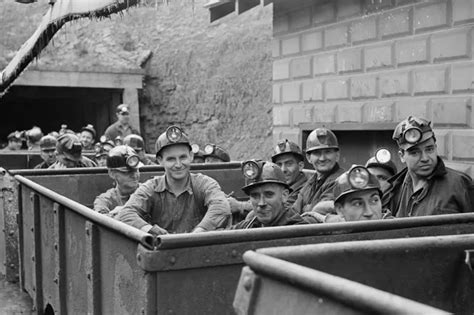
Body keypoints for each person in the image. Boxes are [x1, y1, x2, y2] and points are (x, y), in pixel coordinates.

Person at [117, 125, 231, 235]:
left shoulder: (204, 183)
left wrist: (198, 233)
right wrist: (150, 230)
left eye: (183, 157)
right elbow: (126, 213)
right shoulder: (151, 187)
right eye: (171, 159)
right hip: (162, 250)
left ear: (191, 156)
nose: (178, 164)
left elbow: (221, 207)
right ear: (160, 161)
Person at [383, 116, 474, 217]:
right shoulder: (394, 189)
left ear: (435, 148)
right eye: (415, 153)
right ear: (402, 156)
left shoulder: (459, 184)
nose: (425, 158)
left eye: (429, 149)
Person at [232, 160, 310, 229]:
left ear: (284, 196)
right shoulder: (251, 224)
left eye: (269, 194)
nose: (261, 203)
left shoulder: (298, 230)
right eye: (255, 196)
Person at [304, 165, 393, 223]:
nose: (369, 212)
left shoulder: (397, 228)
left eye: (374, 200)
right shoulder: (331, 232)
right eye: (358, 204)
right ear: (340, 210)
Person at [292, 128, 345, 215]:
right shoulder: (310, 183)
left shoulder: (340, 182)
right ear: (309, 158)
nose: (322, 158)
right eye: (317, 153)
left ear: (337, 155)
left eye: (327, 152)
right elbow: (294, 211)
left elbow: (319, 215)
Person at [94, 145, 141, 216]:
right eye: (126, 172)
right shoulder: (105, 199)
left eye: (136, 170)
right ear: (112, 173)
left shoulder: (148, 192)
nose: (134, 175)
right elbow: (100, 219)